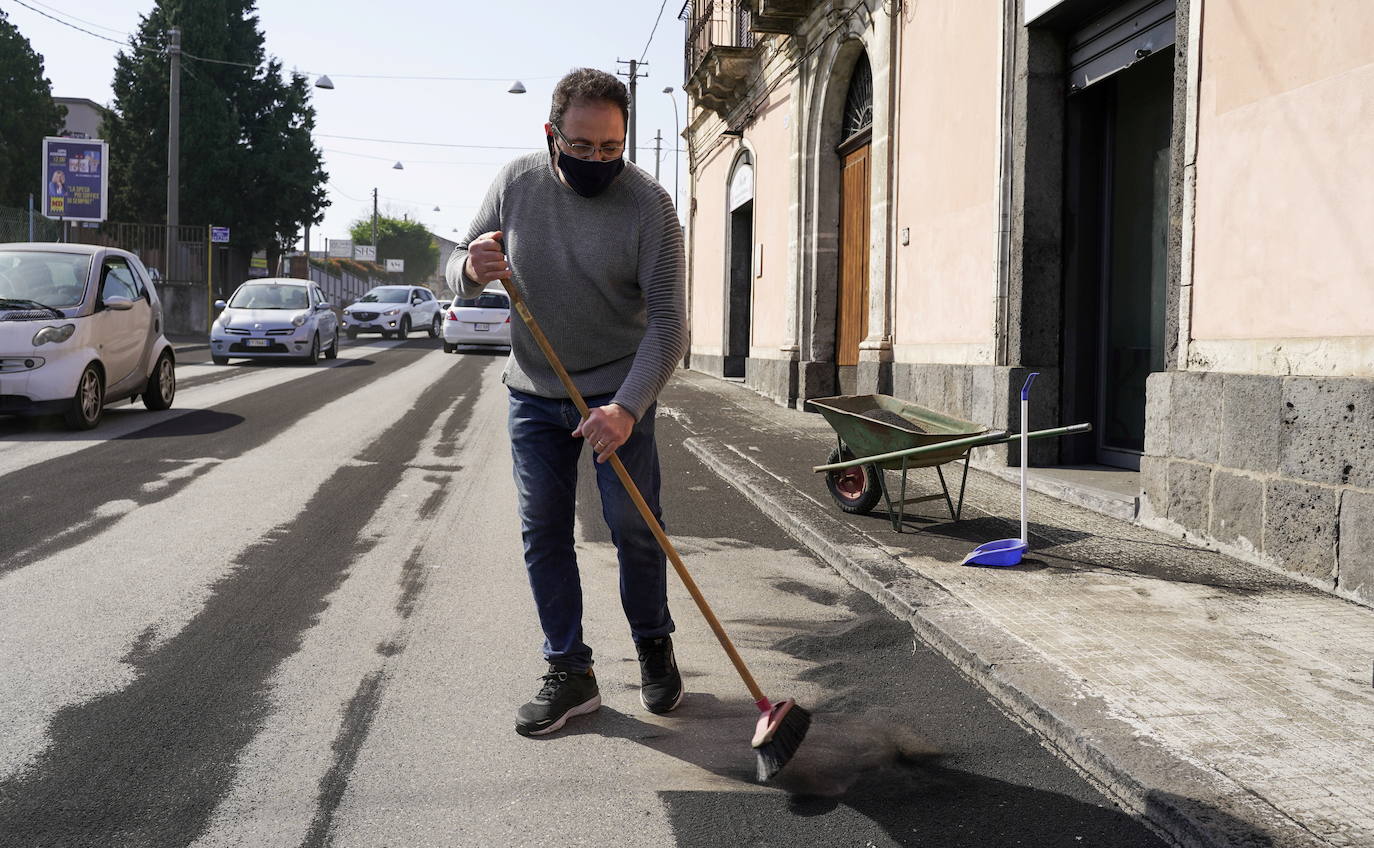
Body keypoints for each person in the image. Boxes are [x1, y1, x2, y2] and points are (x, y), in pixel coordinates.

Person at [448, 68, 688, 738]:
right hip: (535, 392)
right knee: (544, 531)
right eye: (581, 147)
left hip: (617, 390)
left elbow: (669, 325)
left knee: (634, 528)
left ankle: (652, 644)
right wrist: (470, 268)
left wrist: (627, 409)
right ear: (552, 134)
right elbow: (459, 271)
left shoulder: (649, 207)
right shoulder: (517, 184)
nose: (596, 161)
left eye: (611, 148)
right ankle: (570, 671)